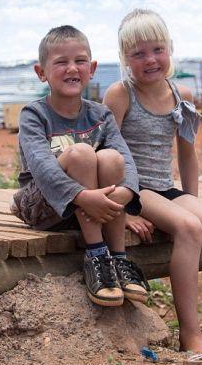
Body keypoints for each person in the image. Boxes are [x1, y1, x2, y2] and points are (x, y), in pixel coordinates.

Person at [103, 9, 202, 352]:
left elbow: (187, 155)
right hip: (133, 189)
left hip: (167, 188)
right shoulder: (120, 95)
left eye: (157, 49)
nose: (150, 60)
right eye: (138, 53)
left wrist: (194, 202)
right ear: (124, 58)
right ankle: (190, 335)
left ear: (170, 49)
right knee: (189, 229)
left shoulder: (183, 95)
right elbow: (105, 157)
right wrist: (127, 212)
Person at [10, 25, 149, 307]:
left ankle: (118, 259)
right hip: (45, 204)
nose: (72, 69)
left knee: (111, 158)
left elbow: (127, 159)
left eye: (80, 61)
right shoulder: (34, 115)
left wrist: (127, 193)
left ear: (92, 68)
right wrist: (83, 196)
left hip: (92, 206)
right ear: (41, 72)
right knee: (82, 154)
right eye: (61, 62)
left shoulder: (101, 114)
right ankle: (96, 255)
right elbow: (42, 168)